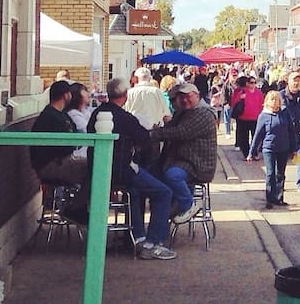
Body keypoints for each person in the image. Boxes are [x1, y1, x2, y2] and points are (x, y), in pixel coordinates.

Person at [86, 78, 176, 260]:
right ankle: (153, 243)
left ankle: (137, 237)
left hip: (97, 170)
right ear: (125, 96)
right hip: (123, 170)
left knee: (135, 192)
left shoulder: (96, 113)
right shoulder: (126, 118)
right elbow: (144, 139)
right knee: (163, 192)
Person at [149, 83, 218, 224]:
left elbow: (180, 132)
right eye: (180, 98)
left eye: (188, 96)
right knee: (151, 176)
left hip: (198, 164)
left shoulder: (204, 114)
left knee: (172, 176)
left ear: (197, 95)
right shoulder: (184, 112)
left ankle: (188, 205)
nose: (184, 100)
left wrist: (152, 134)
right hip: (183, 160)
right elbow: (170, 127)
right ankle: (161, 223)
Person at [31, 81, 88, 220]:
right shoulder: (50, 117)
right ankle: (75, 208)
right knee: (95, 169)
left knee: (96, 167)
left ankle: (78, 207)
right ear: (66, 95)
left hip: (61, 161)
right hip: (52, 165)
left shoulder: (60, 114)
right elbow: (63, 145)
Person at [250, 91, 300, 209]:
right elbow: (258, 135)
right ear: (267, 101)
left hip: (283, 148)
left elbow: (291, 131)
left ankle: (279, 198)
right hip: (269, 148)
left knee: (280, 174)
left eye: (276, 100)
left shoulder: (284, 113)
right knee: (270, 173)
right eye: (272, 100)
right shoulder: (263, 116)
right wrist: (252, 152)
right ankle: (270, 198)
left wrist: (294, 148)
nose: (274, 102)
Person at [281, 71, 300, 194]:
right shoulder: (281, 95)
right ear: (288, 81)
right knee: (282, 161)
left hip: (298, 134)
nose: (296, 83)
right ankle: (280, 184)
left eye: (298, 81)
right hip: (284, 134)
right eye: (294, 80)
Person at [231, 76, 265, 160]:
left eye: (254, 82)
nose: (253, 84)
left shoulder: (258, 92)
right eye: (251, 82)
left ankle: (254, 153)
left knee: (256, 137)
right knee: (244, 138)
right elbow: (233, 102)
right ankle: (246, 154)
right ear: (247, 83)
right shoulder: (242, 91)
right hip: (243, 118)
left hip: (255, 118)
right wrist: (240, 98)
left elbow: (262, 103)